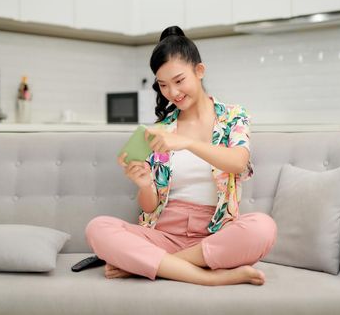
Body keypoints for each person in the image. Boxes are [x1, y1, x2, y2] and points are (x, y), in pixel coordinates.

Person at [85, 26, 277, 286]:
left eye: (179, 81)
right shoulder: (160, 130)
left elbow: (238, 161)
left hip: (214, 234)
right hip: (164, 233)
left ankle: (154, 264)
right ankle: (208, 277)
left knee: (263, 227)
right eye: (163, 85)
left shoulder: (233, 116)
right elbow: (150, 207)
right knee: (98, 228)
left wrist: (186, 142)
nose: (172, 93)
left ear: (199, 71)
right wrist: (144, 184)